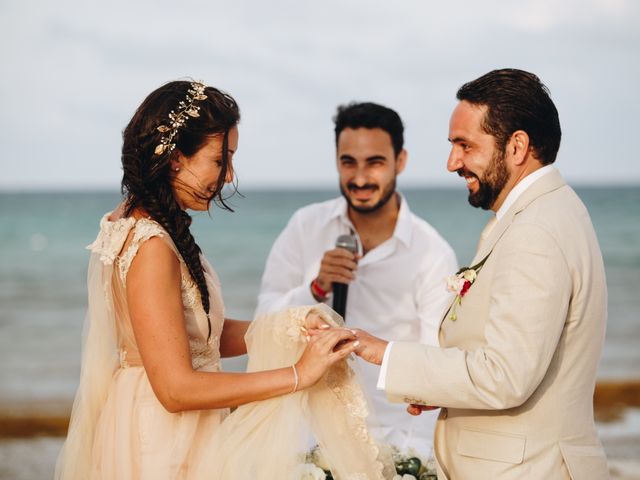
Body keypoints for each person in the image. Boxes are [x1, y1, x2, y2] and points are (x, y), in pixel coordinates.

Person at [54, 80, 368, 479]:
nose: (229, 176)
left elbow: (197, 337)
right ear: (174, 158)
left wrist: (293, 326)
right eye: (221, 160)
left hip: (157, 422)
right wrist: (297, 375)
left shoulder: (137, 223)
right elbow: (175, 389)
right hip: (164, 442)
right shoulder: (152, 245)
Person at [354, 69, 609, 479]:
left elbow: (505, 376)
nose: (452, 162)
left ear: (517, 146)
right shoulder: (550, 211)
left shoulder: (535, 232)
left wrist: (386, 354)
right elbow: (516, 365)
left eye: (465, 145)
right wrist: (440, 388)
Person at [256, 101, 458, 456]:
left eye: (375, 163)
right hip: (306, 437)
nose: (360, 178)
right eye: (349, 162)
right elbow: (260, 328)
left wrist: (415, 458)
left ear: (401, 161)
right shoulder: (305, 227)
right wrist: (315, 289)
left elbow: (434, 365)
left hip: (393, 442)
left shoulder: (432, 253)